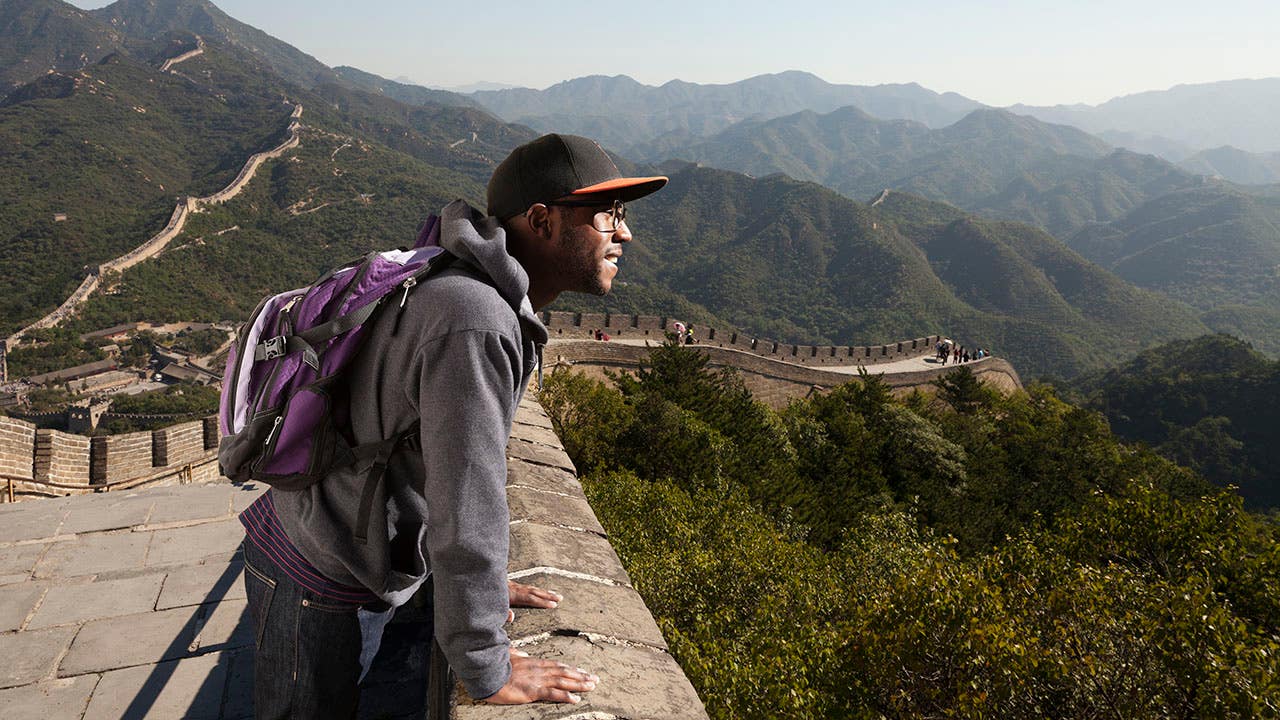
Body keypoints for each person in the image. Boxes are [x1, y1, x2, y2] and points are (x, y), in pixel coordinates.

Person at [239, 133, 667, 717]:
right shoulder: (475, 319)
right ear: (542, 220)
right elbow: (468, 495)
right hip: (317, 573)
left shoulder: (471, 289)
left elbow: (418, 448)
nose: (625, 232)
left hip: (318, 536)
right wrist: (485, 661)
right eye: (607, 215)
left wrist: (480, 592)